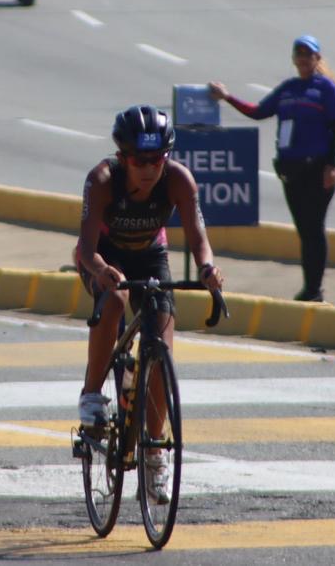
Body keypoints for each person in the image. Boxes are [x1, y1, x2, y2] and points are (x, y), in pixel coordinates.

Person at [76, 104, 224, 505]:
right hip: (104, 256)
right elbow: (86, 249)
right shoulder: (101, 180)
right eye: (139, 160)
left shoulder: (179, 180)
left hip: (150, 255)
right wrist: (101, 269)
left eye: (156, 159)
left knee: (161, 345)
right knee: (116, 298)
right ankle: (92, 396)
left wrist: (207, 269)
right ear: (123, 157)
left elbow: (198, 238)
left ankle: (154, 453)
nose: (148, 168)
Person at [208, 34, 335, 302]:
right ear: (294, 58)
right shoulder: (288, 89)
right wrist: (227, 97)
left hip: (318, 168)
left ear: (317, 58)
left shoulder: (326, 88)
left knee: (314, 227)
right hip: (291, 169)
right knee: (303, 229)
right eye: (299, 54)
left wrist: (331, 165)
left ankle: (314, 289)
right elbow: (258, 111)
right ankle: (309, 287)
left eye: (308, 54)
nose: (303, 59)